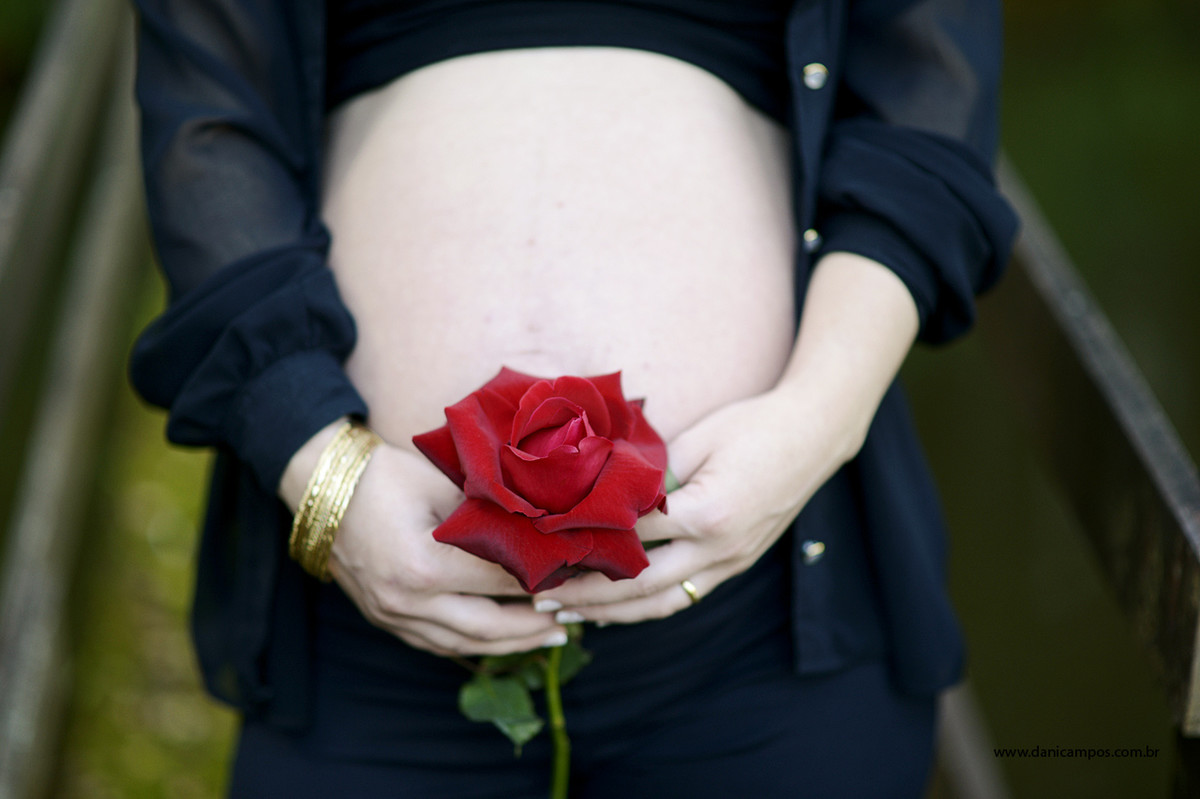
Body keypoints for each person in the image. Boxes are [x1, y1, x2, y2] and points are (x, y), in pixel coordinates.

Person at [129, 0, 1018, 796]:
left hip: (763, 612)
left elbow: (925, 108)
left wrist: (814, 423)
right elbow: (208, 125)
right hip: (373, 625)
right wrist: (325, 476)